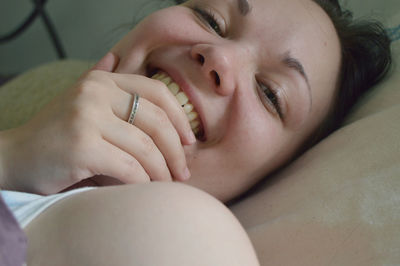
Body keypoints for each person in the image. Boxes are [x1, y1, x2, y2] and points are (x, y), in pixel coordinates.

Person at [0, 0, 391, 265]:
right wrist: (14, 153)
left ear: (269, 180)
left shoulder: (192, 233)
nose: (219, 56)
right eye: (211, 18)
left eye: (271, 94)